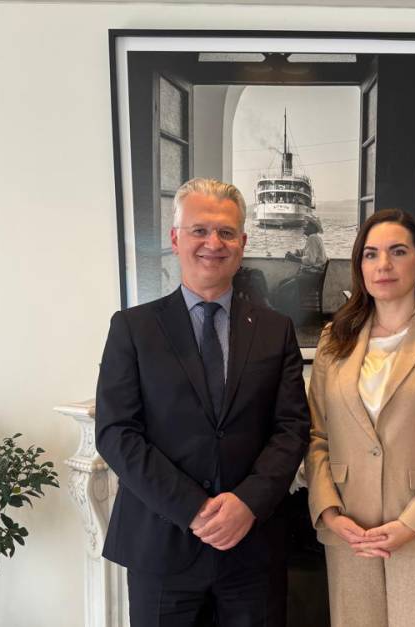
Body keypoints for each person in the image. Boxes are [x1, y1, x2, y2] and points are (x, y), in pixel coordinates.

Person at [95, 177, 310, 627]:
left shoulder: (276, 330)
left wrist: (247, 503)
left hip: (253, 549)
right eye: (200, 230)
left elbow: (291, 429)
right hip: (161, 546)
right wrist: (192, 508)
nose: (214, 243)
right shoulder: (132, 329)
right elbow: (117, 433)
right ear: (176, 239)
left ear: (242, 244)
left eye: (226, 232)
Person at [304, 208, 415, 627]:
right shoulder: (334, 338)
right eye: (370, 254)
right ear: (360, 266)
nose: (382, 264)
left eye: (397, 251)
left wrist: (412, 524)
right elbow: (317, 435)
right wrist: (329, 513)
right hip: (349, 532)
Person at [272, 217, 328, 324]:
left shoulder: (312, 238)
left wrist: (294, 258)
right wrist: (297, 252)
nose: (304, 227)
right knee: (282, 283)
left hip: (310, 278)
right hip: (311, 276)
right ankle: (288, 317)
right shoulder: (315, 238)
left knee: (283, 288)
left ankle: (290, 318)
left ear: (313, 227)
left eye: (307, 225)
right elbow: (307, 252)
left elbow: (310, 260)